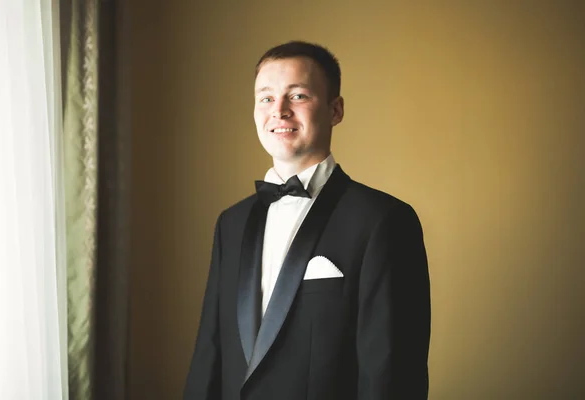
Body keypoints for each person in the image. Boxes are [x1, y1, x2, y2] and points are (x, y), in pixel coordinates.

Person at [183, 41, 431, 400]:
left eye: (297, 96)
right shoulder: (230, 224)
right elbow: (208, 353)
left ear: (335, 110)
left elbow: (393, 373)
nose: (279, 111)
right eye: (266, 98)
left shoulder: (385, 221)